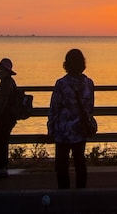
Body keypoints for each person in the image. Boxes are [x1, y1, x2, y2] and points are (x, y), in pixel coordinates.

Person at [48, 48, 94, 189]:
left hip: (63, 130)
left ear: (66, 63)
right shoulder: (89, 83)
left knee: (62, 164)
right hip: (80, 128)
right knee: (80, 161)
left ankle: (64, 193)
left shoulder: (61, 83)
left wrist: (51, 128)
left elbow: (54, 107)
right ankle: (81, 192)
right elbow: (90, 106)